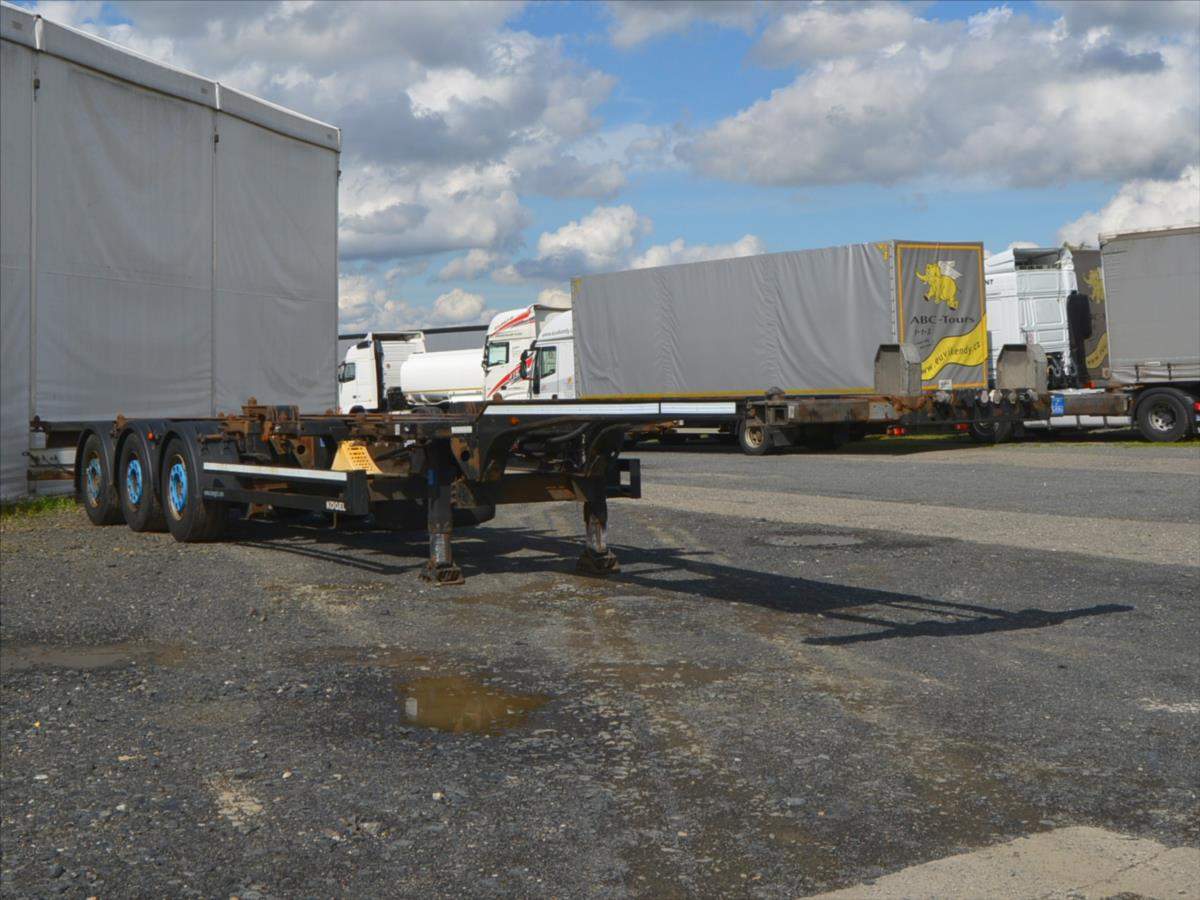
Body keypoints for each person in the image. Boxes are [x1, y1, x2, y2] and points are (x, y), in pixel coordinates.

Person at [1066, 288, 1092, 387]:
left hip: (1074, 336)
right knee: (1079, 353)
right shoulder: (1082, 300)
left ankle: (1080, 378)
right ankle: (1081, 377)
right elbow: (1087, 329)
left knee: (1077, 353)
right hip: (1078, 337)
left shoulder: (1071, 301)